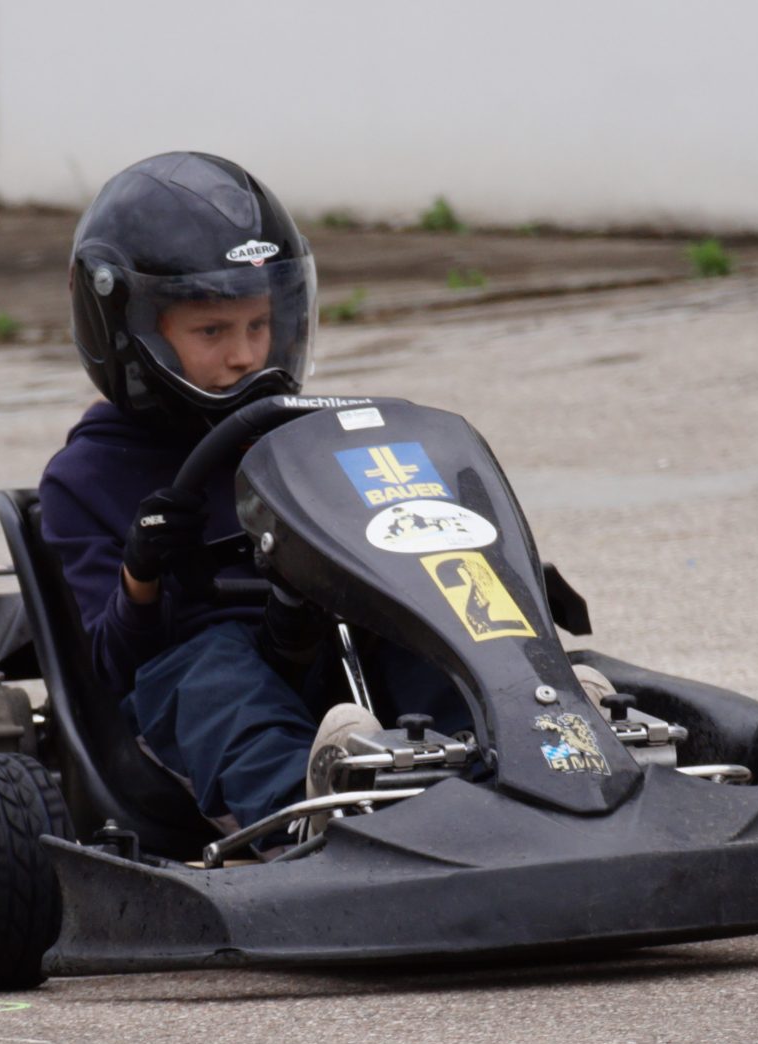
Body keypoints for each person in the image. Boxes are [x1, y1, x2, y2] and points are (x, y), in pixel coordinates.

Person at [37, 151, 459, 838]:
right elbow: (113, 668)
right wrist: (141, 572)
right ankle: (311, 814)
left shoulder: (300, 437)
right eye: (212, 331)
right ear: (131, 336)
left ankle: (517, 752)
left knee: (419, 627)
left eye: (258, 326)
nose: (245, 356)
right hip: (189, 708)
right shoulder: (85, 479)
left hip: (318, 657)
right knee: (212, 671)